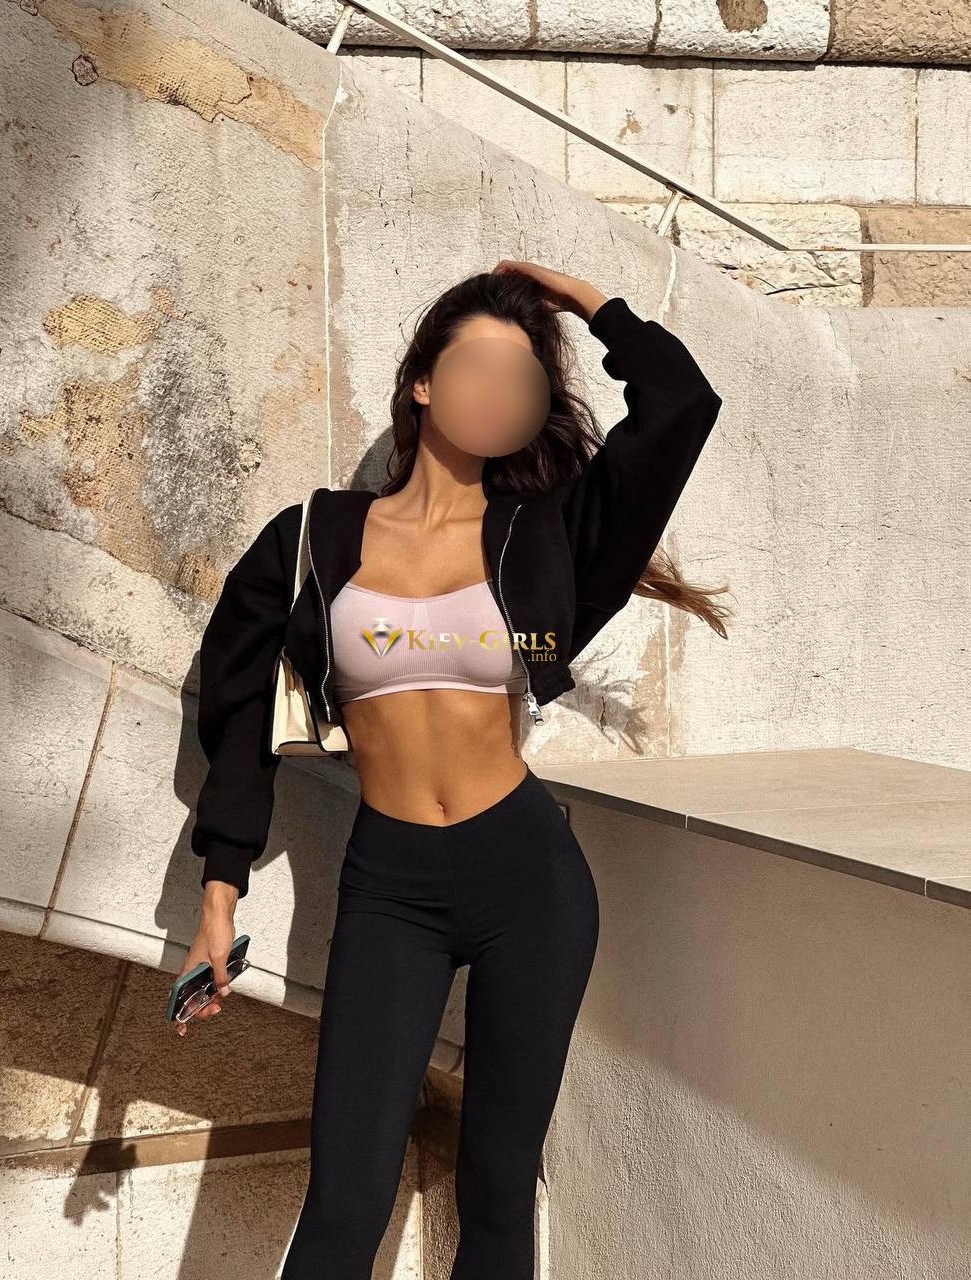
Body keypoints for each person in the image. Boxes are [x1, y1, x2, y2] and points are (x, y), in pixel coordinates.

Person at [175, 261, 728, 1278]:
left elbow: (681, 403)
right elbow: (238, 708)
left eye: (519, 378)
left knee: (496, 1189)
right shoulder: (312, 538)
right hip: (391, 886)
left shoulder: (545, 536)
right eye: (476, 366)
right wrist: (221, 888)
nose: (495, 391)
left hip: (527, 877)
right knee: (345, 1196)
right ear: (422, 381)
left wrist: (580, 298)